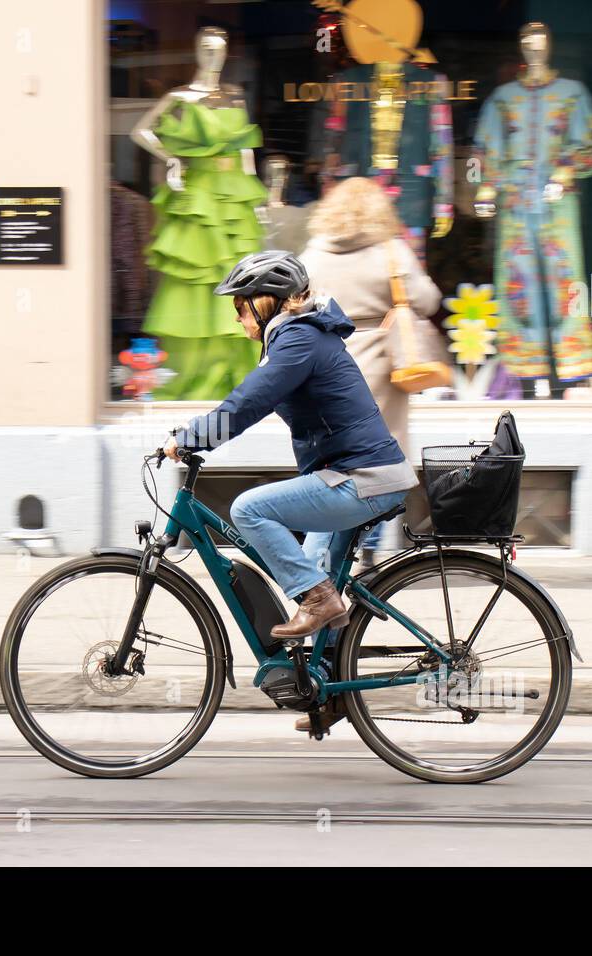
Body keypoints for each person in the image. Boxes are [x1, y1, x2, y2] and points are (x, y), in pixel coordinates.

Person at [163, 250, 419, 733]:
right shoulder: (301, 336)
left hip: (361, 480)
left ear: (267, 301)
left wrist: (191, 438)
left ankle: (320, 602)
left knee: (249, 510)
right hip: (353, 475)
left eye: (240, 305)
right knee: (315, 571)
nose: (237, 316)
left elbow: (248, 402)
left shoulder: (299, 339)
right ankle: (329, 694)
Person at [300, 177, 442, 563]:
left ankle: (320, 565)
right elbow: (428, 300)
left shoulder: (314, 254)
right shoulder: (391, 251)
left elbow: (295, 306)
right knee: (378, 466)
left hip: (326, 365)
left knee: (330, 468)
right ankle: (368, 556)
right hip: (380, 365)